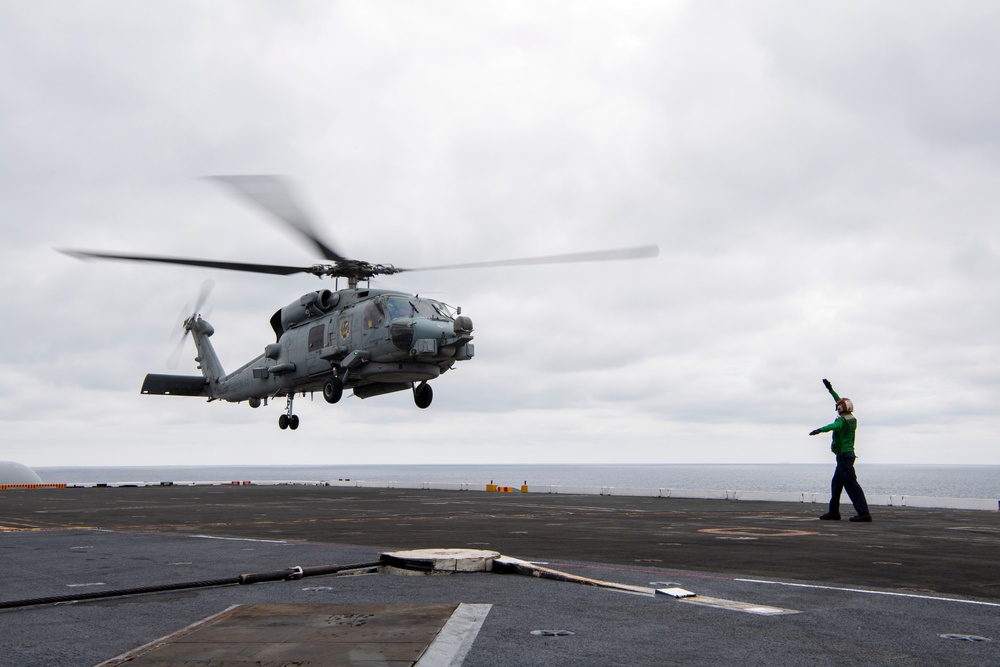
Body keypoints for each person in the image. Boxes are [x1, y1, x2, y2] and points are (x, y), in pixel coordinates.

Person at [809, 378, 872, 522]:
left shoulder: (841, 421)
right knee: (836, 483)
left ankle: (864, 513)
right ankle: (833, 512)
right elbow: (839, 401)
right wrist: (830, 390)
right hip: (845, 456)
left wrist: (819, 430)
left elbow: (833, 426)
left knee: (851, 484)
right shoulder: (851, 418)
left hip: (844, 456)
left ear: (840, 409)